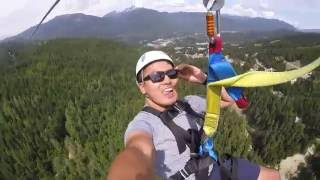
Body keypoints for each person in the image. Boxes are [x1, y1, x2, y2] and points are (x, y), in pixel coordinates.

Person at [108, 50, 280, 180]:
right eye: (156, 76)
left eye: (171, 73)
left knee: (274, 176)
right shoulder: (144, 124)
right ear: (142, 87)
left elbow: (227, 101)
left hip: (217, 168)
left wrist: (202, 78)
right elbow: (137, 151)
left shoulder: (190, 103)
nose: (167, 80)